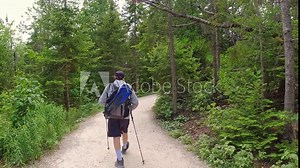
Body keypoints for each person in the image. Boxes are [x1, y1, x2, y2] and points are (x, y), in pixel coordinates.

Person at [99, 71, 139, 168]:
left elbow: (101, 101)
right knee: (124, 131)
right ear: (123, 78)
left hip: (112, 116)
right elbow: (136, 102)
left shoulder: (109, 87)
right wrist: (129, 109)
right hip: (124, 116)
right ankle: (125, 146)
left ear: (115, 77)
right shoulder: (128, 87)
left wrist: (109, 107)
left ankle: (119, 160)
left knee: (116, 136)